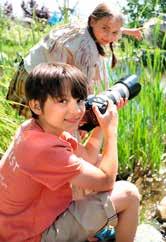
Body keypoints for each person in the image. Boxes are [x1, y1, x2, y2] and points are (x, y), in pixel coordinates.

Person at [0, 63, 140, 242]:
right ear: (36, 105)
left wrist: (99, 124)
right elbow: (105, 181)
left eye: (79, 100)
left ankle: (91, 231)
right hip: (31, 237)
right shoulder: (45, 150)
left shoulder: (34, 129)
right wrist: (110, 132)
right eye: (62, 101)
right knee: (129, 194)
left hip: (13, 226)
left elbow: (88, 158)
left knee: (97, 162)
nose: (76, 110)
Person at [6, 2, 142, 117]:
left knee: (40, 129)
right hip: (35, 84)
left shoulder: (86, 27)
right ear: (92, 21)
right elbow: (81, 89)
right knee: (46, 129)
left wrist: (128, 31)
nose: (109, 36)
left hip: (27, 70)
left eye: (115, 32)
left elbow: (111, 25)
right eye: (105, 29)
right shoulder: (86, 48)